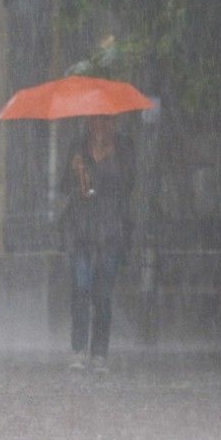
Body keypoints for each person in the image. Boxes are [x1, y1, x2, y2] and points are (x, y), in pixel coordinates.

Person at [60, 115, 134, 373]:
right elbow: (64, 187)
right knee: (81, 289)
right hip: (81, 231)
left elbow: (128, 186)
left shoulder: (124, 149)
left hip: (111, 231)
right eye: (96, 122)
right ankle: (79, 349)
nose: (101, 127)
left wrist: (102, 180)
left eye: (106, 122)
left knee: (102, 294)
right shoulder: (77, 148)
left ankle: (99, 352)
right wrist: (76, 173)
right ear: (89, 123)